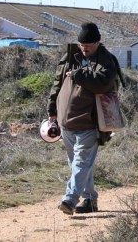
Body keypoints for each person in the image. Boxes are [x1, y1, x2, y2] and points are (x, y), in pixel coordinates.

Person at [48, 22, 119, 215]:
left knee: (81, 163)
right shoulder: (71, 56)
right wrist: (52, 108)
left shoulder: (106, 61)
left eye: (88, 45)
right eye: (82, 45)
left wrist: (79, 75)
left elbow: (104, 84)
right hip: (66, 122)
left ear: (98, 42)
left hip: (89, 123)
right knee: (77, 164)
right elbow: (57, 83)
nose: (84, 48)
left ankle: (70, 200)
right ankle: (89, 200)